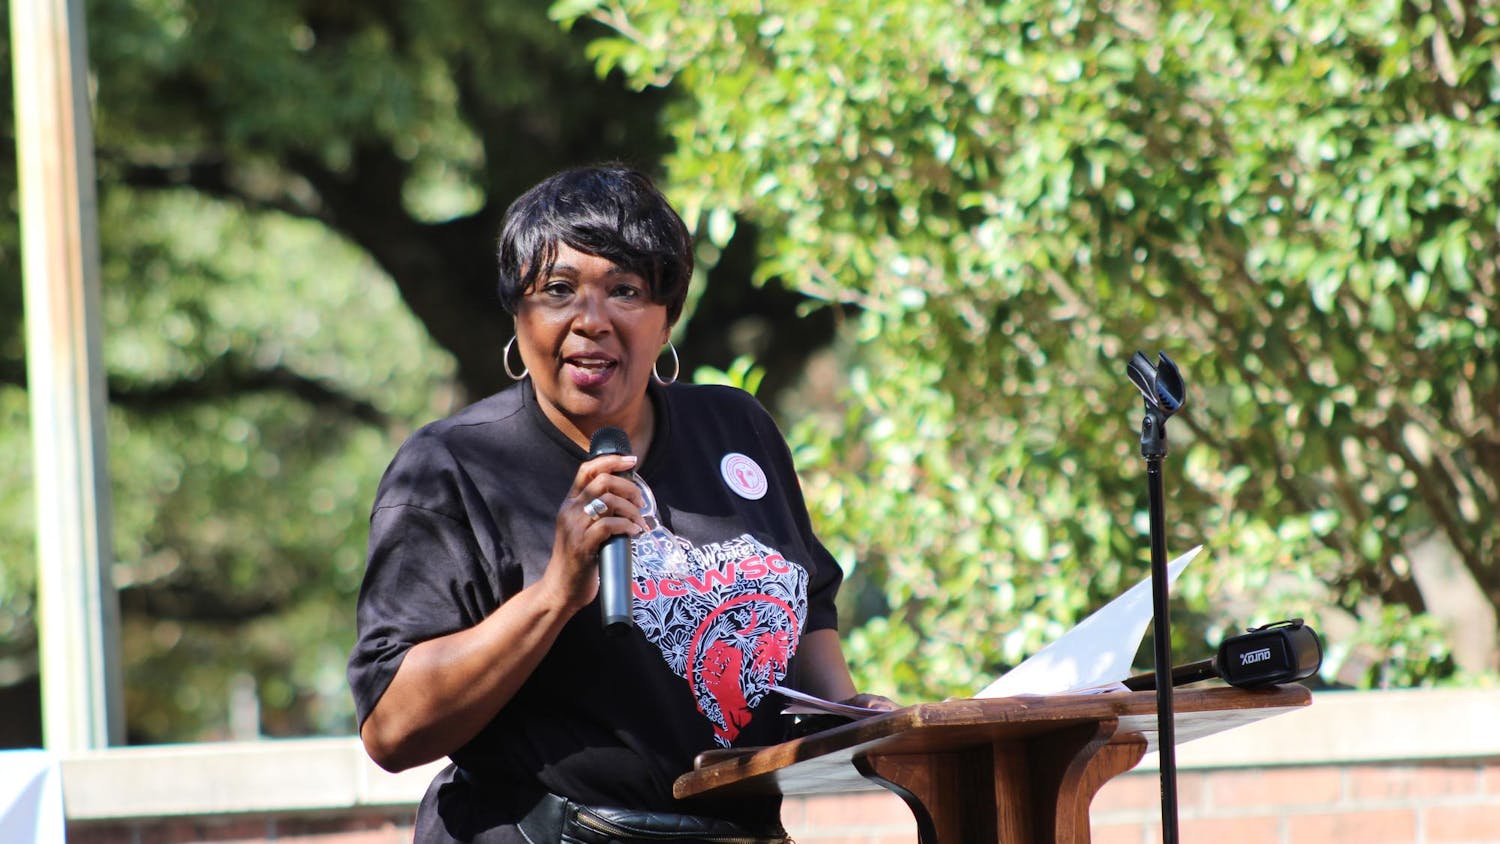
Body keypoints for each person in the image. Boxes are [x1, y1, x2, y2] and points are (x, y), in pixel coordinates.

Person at [347, 164, 896, 843]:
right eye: (558, 290)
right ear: (517, 314)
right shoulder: (451, 468)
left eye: (626, 290)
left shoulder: (736, 428)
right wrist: (555, 592)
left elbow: (806, 595)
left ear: (667, 317)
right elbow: (391, 729)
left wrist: (849, 714)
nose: (592, 321)